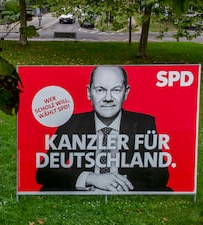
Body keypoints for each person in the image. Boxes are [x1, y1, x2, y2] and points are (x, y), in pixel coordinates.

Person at [36, 66, 171, 192]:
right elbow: (44, 172)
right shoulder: (70, 123)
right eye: (100, 90)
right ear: (89, 92)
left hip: (127, 190)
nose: (108, 98)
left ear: (126, 92)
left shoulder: (143, 123)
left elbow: (160, 174)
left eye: (116, 90)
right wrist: (91, 178)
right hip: (85, 191)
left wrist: (119, 184)